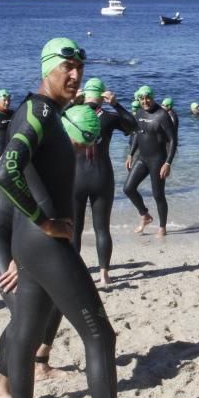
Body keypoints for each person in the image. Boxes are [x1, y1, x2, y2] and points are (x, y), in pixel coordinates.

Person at [0, 37, 148, 398]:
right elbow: (7, 173)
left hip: (30, 242)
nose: (75, 75)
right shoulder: (40, 111)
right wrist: (43, 221)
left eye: (80, 66)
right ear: (47, 69)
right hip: (45, 243)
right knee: (101, 337)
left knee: (24, 335)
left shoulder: (41, 111)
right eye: (67, 68)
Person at [0, 105, 101, 398]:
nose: (83, 152)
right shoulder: (41, 150)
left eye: (89, 145)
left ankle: (41, 363)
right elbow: (25, 205)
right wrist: (21, 261)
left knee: (57, 298)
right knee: (22, 312)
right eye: (80, 143)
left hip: (27, 235)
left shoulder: (61, 153)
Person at [70, 77, 137, 286]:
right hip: (102, 177)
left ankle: (75, 273)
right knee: (102, 228)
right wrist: (116, 103)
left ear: (85, 94)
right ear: (102, 96)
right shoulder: (108, 117)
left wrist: (72, 101)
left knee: (74, 228)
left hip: (76, 178)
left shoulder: (71, 115)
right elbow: (133, 126)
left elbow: (51, 120)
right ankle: (104, 274)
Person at [124, 85, 177, 237]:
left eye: (148, 98)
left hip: (158, 160)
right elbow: (136, 134)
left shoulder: (162, 115)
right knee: (128, 188)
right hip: (142, 158)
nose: (145, 101)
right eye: (142, 98)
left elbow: (173, 140)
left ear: (153, 97)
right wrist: (131, 154)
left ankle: (162, 227)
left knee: (158, 195)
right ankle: (145, 215)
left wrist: (168, 163)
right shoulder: (139, 112)